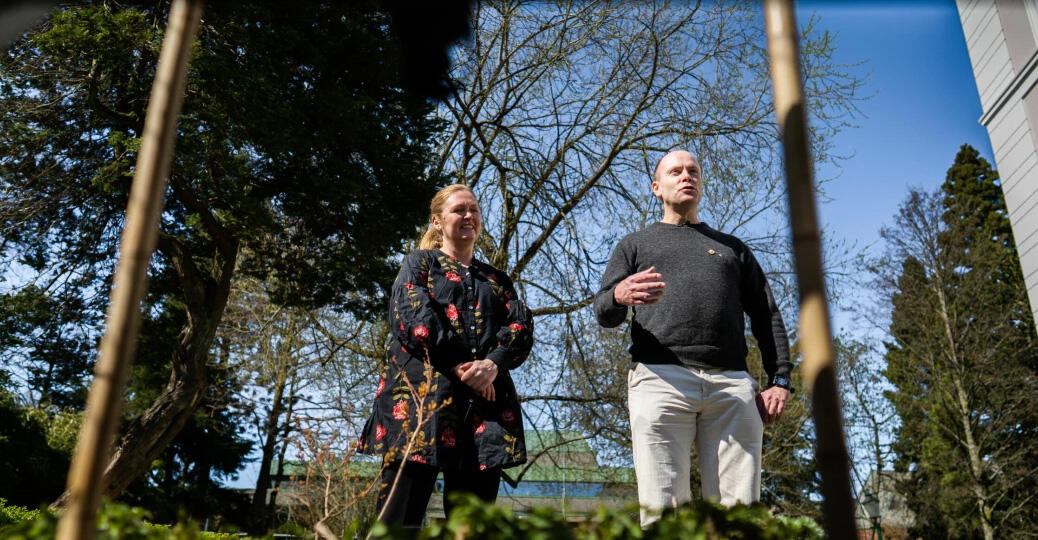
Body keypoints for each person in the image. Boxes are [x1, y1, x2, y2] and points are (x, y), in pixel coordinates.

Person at [593, 150, 793, 526]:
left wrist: (780, 378)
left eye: (693, 171)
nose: (687, 176)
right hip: (659, 381)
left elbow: (766, 314)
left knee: (738, 517)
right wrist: (619, 295)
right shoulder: (634, 245)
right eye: (676, 171)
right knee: (664, 513)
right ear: (656, 187)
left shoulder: (733, 249)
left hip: (731, 387)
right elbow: (604, 312)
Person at [360, 184, 534, 534]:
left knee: (470, 527)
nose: (469, 216)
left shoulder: (497, 280)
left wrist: (492, 365)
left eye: (474, 209)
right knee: (398, 522)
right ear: (437, 221)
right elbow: (414, 317)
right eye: (459, 210)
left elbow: (520, 327)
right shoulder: (419, 265)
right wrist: (461, 366)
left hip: (483, 410)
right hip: (421, 404)